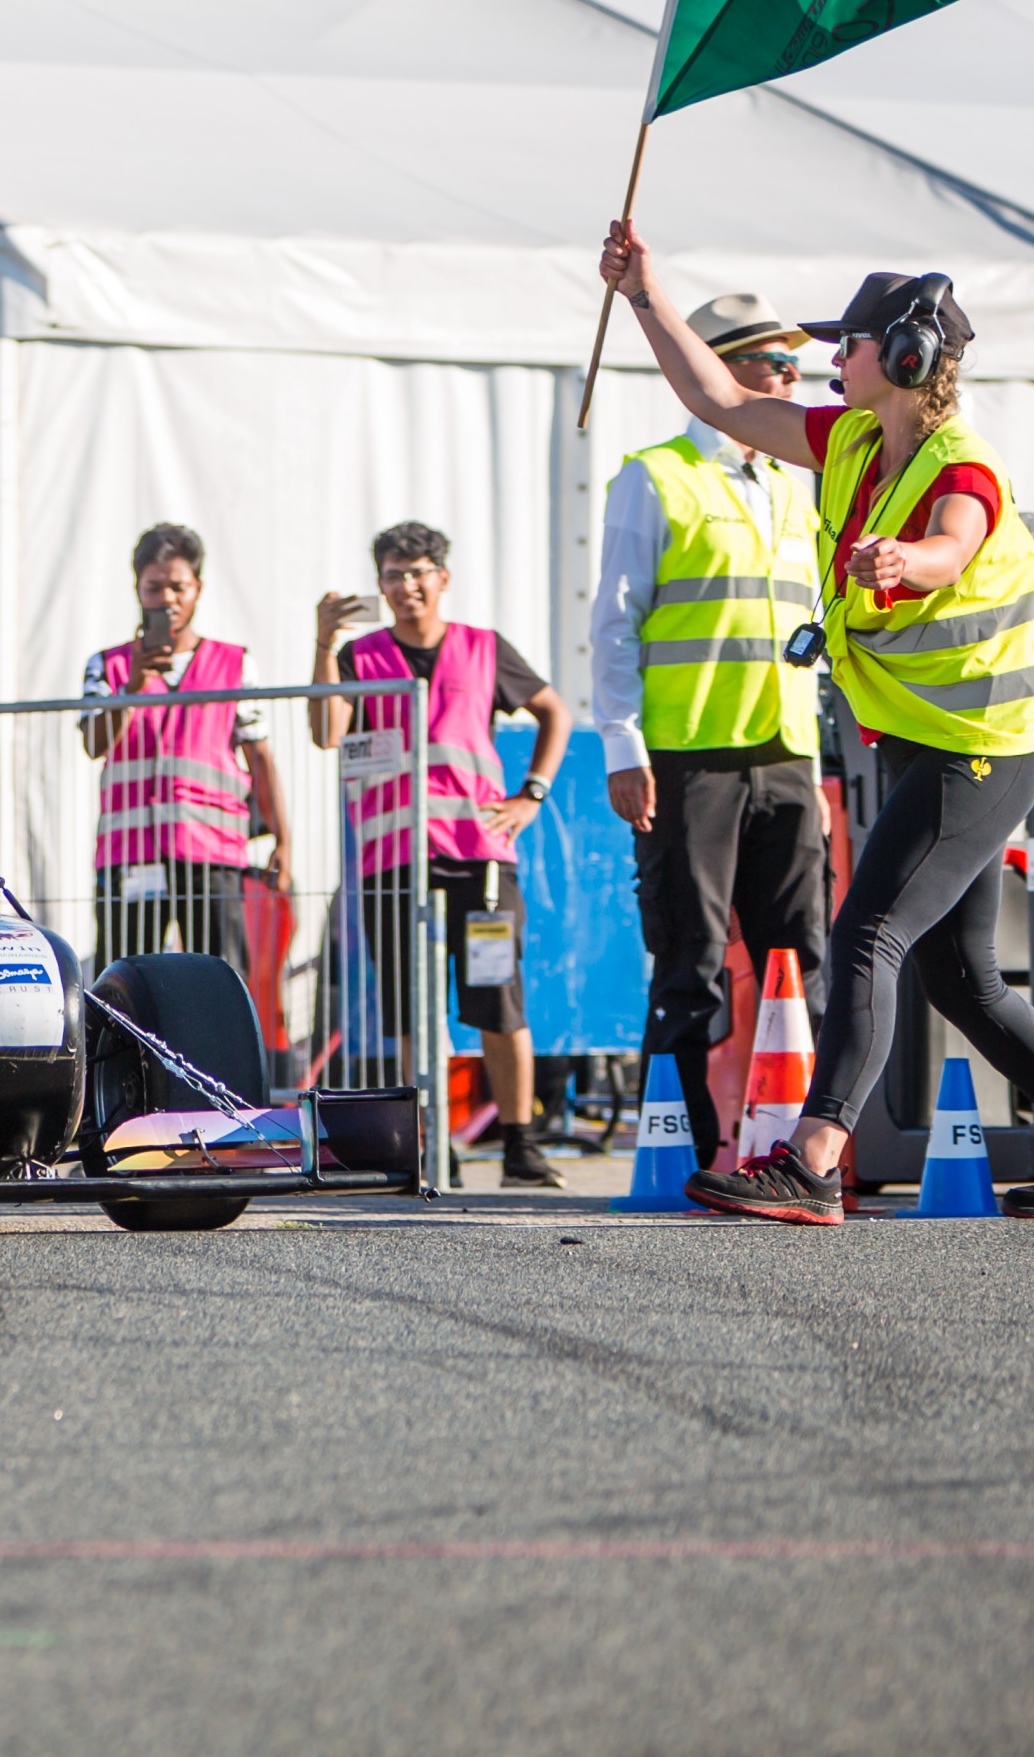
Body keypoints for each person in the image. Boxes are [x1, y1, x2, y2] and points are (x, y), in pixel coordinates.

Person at [603, 224, 1034, 1225]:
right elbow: (718, 400)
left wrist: (907, 563)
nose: (828, 358)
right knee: (964, 980)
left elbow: (954, 543)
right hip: (929, 746)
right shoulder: (853, 441)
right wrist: (644, 294)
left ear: (903, 357)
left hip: (976, 753)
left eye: (844, 344)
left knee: (865, 936)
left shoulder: (960, 463)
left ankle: (812, 1162)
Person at [588, 291, 835, 1160]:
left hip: (785, 751)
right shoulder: (654, 476)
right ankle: (681, 1154)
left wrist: (815, 764)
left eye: (796, 366)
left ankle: (804, 1152)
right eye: (777, 364)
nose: (792, 380)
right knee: (688, 962)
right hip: (687, 755)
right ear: (722, 370)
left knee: (799, 960)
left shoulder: (794, 487)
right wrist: (622, 746)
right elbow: (614, 621)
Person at [305, 522, 574, 1188]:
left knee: (499, 1002)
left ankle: (520, 1146)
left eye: (418, 572)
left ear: (442, 578)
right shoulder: (359, 656)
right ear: (380, 584)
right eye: (393, 575)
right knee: (411, 1012)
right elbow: (325, 732)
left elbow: (554, 711)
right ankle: (433, 1147)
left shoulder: (483, 648)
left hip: (480, 860)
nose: (406, 586)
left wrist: (531, 796)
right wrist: (323, 643)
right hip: (396, 864)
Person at [78, 521, 288, 979]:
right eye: (154, 588)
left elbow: (260, 757)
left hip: (213, 853)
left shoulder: (234, 664)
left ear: (198, 588)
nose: (167, 599)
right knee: (124, 984)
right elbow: (94, 743)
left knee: (222, 980)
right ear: (137, 589)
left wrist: (283, 840)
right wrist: (131, 690)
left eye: (178, 587)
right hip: (131, 853)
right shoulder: (109, 665)